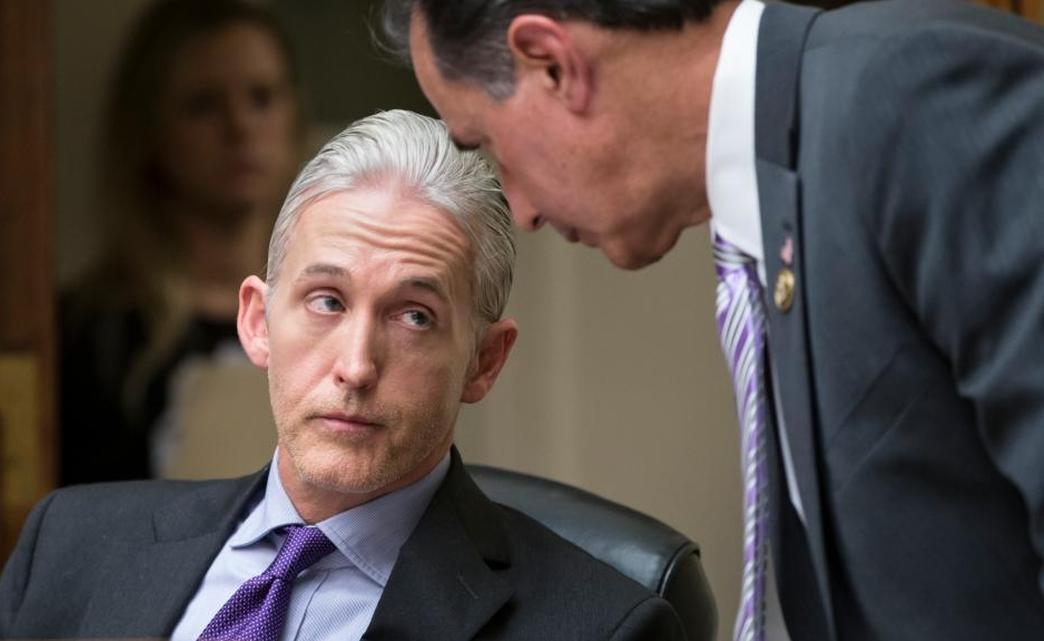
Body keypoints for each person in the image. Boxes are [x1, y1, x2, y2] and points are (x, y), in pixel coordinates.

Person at [381, 0, 1044, 640]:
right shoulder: (784, 179)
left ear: (552, 64)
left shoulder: (916, 92)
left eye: (488, 145)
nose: (521, 212)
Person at [0, 110, 684, 641]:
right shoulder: (70, 548)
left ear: (484, 360)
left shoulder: (600, 627)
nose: (355, 366)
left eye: (414, 316)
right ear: (257, 321)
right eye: (326, 301)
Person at [59, 0, 304, 485]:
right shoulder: (91, 334)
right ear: (151, 130)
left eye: (261, 98)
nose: (240, 128)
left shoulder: (334, 313)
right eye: (203, 105)